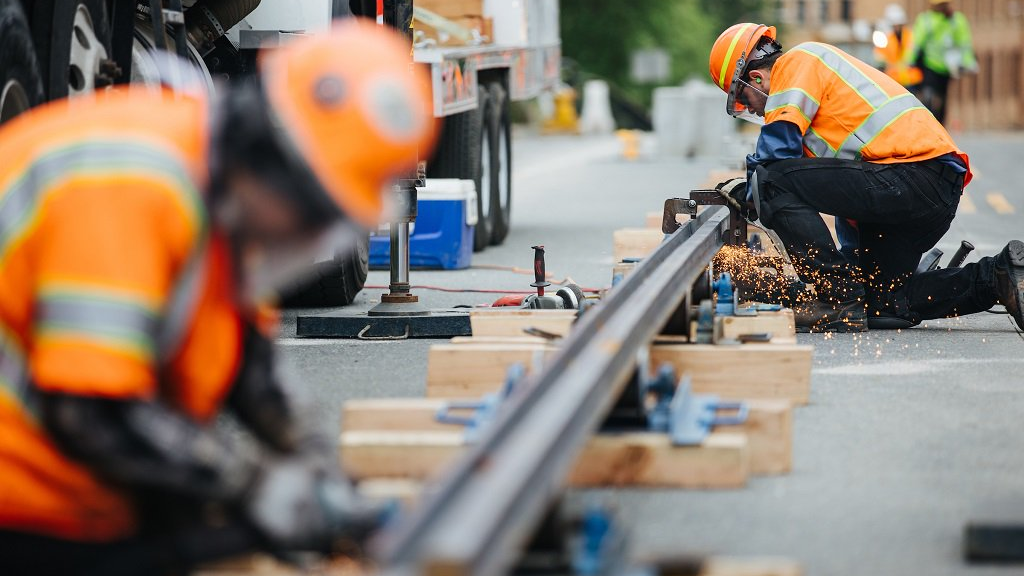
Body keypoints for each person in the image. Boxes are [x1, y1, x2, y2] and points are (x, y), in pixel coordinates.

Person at [0, 20, 435, 576]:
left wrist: (316, 465)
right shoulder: (134, 181)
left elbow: (249, 368)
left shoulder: (218, 195)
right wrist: (256, 485)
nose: (305, 234)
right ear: (272, 162)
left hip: (66, 485)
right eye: (312, 212)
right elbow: (95, 412)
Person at [707, 23, 1024, 333]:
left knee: (770, 179)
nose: (758, 113)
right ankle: (997, 277)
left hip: (915, 177)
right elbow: (851, 191)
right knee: (881, 304)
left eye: (746, 102)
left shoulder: (797, 62)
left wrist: (751, 189)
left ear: (756, 78)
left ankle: (838, 300)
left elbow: (775, 155)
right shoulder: (817, 119)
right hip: (926, 191)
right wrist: (850, 267)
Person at [906, 0, 977, 124]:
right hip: (929, 65)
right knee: (929, 97)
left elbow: (964, 44)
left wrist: (968, 63)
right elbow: (916, 43)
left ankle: (939, 125)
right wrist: (910, 61)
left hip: (947, 68)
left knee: (942, 99)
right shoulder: (926, 20)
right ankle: (928, 123)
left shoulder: (957, 20)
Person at [874, 4, 923, 91]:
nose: (897, 28)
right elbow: (880, 60)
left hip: (910, 79)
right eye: (895, 25)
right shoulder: (885, 39)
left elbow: (916, 56)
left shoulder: (910, 36)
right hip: (893, 80)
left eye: (899, 25)